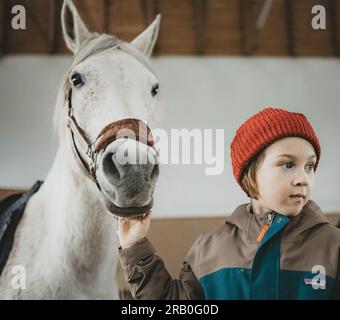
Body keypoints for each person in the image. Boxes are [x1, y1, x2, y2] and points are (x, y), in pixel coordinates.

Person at [116, 107, 340, 299]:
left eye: (310, 166)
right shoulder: (209, 247)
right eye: (287, 164)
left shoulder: (333, 245)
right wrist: (135, 246)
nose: (304, 179)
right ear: (251, 172)